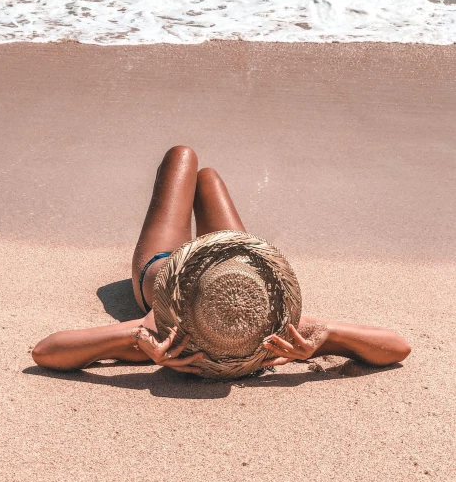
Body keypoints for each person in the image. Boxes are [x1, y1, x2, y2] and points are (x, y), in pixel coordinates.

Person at [32, 146, 411, 376]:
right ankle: (206, 182)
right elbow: (397, 346)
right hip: (236, 263)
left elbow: (46, 351)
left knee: (183, 156)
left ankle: (198, 176)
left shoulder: (169, 336)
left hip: (165, 269)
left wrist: (133, 335)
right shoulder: (274, 332)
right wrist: (332, 335)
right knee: (205, 177)